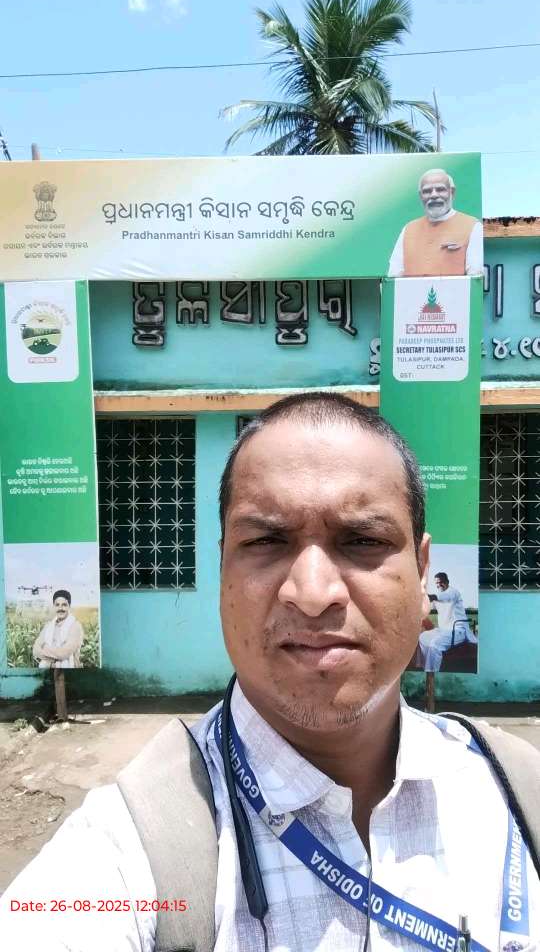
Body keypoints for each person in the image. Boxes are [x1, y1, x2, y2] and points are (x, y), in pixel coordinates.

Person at [1, 392, 539, 951]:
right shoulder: (132, 846)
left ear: (422, 571)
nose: (313, 593)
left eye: (363, 540)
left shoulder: (519, 795)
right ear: (223, 569)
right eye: (265, 541)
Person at [387, 169, 483, 277]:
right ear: (420, 196)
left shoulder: (472, 226)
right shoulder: (408, 229)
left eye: (440, 189)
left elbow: (475, 276)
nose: (433, 195)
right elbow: (394, 275)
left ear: (451, 192)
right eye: (427, 191)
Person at [418, 572, 478, 673]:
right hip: (443, 630)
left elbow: (439, 597)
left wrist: (422, 595)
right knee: (422, 637)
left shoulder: (453, 592)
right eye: (437, 583)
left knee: (435, 644)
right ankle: (421, 666)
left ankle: (431, 672)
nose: (439, 585)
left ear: (447, 582)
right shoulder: (438, 595)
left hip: (457, 630)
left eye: (441, 582)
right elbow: (428, 606)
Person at [32, 588, 84, 669]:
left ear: (69, 606)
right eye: (57, 605)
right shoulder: (48, 626)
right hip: (48, 670)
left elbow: (64, 653)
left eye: (64, 605)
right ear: (54, 607)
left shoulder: (75, 626)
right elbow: (35, 650)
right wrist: (55, 657)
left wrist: (44, 647)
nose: (60, 608)